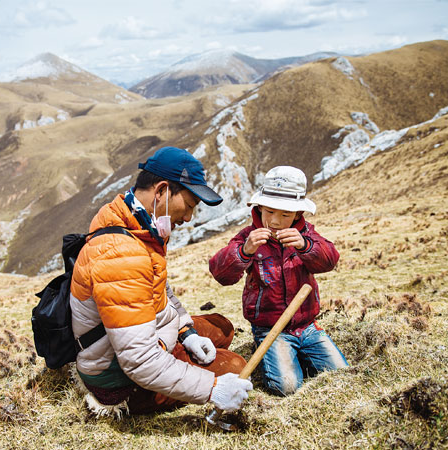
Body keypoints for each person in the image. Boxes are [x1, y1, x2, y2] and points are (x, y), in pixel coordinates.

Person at [70, 146, 252, 415]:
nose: (188, 217)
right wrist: (212, 389)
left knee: (222, 328)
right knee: (235, 367)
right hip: (119, 374)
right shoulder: (121, 253)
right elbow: (139, 360)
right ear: (162, 191)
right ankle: (134, 400)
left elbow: (160, 293)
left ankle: (182, 346)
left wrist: (186, 332)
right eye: (189, 205)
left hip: (147, 334)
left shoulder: (139, 228)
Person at [209, 166, 348, 396]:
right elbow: (221, 274)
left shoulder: (306, 234)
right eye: (270, 212)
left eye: (285, 215)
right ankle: (273, 357)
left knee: (342, 374)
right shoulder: (248, 237)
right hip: (270, 329)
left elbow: (329, 261)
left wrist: (306, 246)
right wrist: (245, 250)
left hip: (307, 327)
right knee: (287, 387)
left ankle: (295, 357)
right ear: (259, 207)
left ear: (297, 215)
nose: (275, 221)